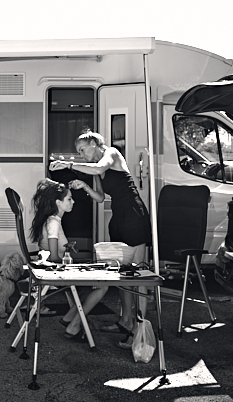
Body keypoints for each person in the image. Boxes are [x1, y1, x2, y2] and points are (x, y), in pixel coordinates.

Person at [49, 128, 152, 349]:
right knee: (122, 274)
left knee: (139, 274)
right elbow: (100, 198)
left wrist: (67, 165)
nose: (82, 155)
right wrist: (84, 185)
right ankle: (126, 321)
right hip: (118, 218)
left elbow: (98, 167)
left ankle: (139, 328)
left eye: (83, 150)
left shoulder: (111, 153)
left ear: (95, 144)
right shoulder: (96, 169)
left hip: (133, 215)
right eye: (78, 152)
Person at [29, 178, 109, 340]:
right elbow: (54, 257)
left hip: (52, 270)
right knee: (103, 286)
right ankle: (74, 324)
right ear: (58, 203)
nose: (73, 202)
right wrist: (75, 266)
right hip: (55, 273)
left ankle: (69, 319)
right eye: (69, 199)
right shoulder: (53, 222)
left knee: (89, 288)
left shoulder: (53, 220)